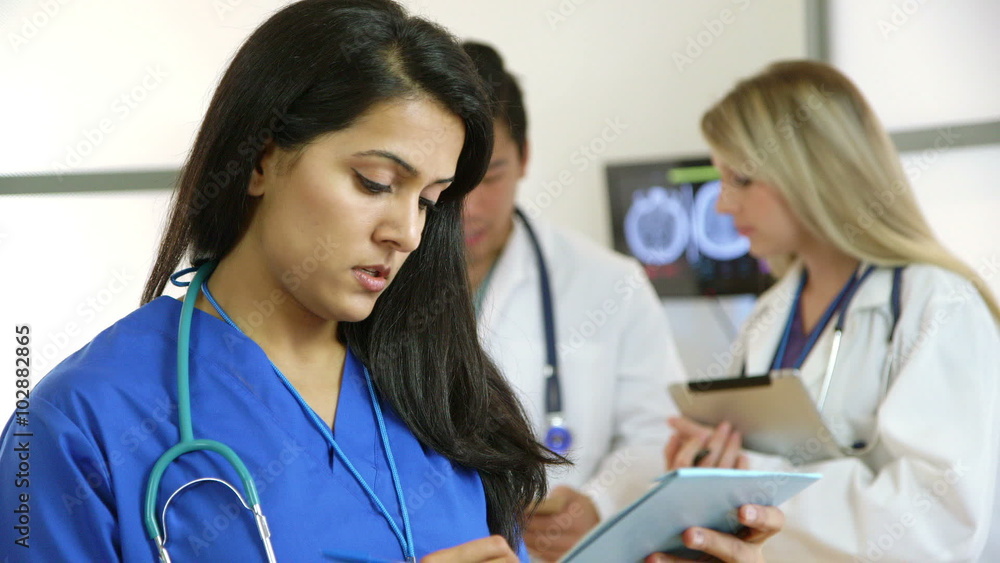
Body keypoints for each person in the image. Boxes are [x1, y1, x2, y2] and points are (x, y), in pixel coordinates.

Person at [0, 1, 782, 561]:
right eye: (376, 180)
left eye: (429, 201)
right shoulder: (80, 427)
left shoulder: (440, 395)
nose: (406, 231)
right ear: (264, 157)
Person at [664, 60, 1000, 561]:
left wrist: (750, 480)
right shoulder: (769, 315)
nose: (722, 206)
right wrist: (704, 471)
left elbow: (938, 524)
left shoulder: (935, 303)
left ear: (810, 172)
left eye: (740, 179)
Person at [460, 42, 695, 561]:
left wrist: (599, 502)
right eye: (453, 180)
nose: (470, 205)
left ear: (525, 159)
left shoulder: (610, 283)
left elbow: (657, 430)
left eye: (491, 176)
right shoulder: (377, 281)